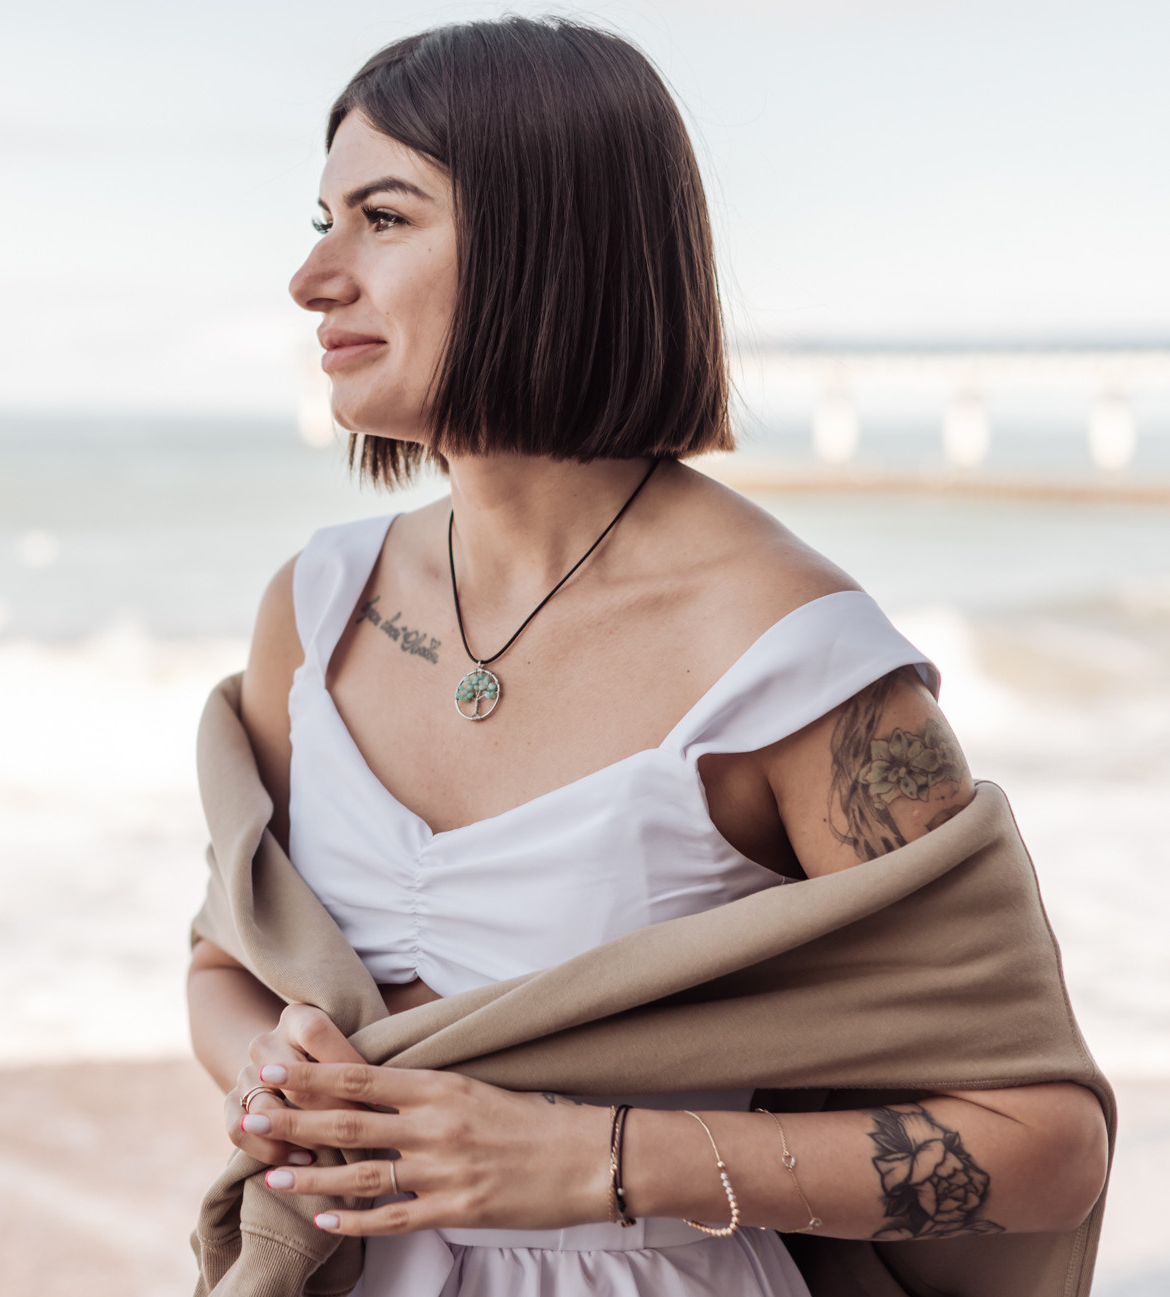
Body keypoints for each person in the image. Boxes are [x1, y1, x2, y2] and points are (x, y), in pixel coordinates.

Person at [184, 17, 1108, 1297]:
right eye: (321, 217)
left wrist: (594, 1158)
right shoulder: (317, 605)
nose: (314, 276)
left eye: (383, 219)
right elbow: (230, 961)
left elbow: (1044, 1147)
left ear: (547, 244)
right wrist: (271, 1068)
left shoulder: (794, 665)